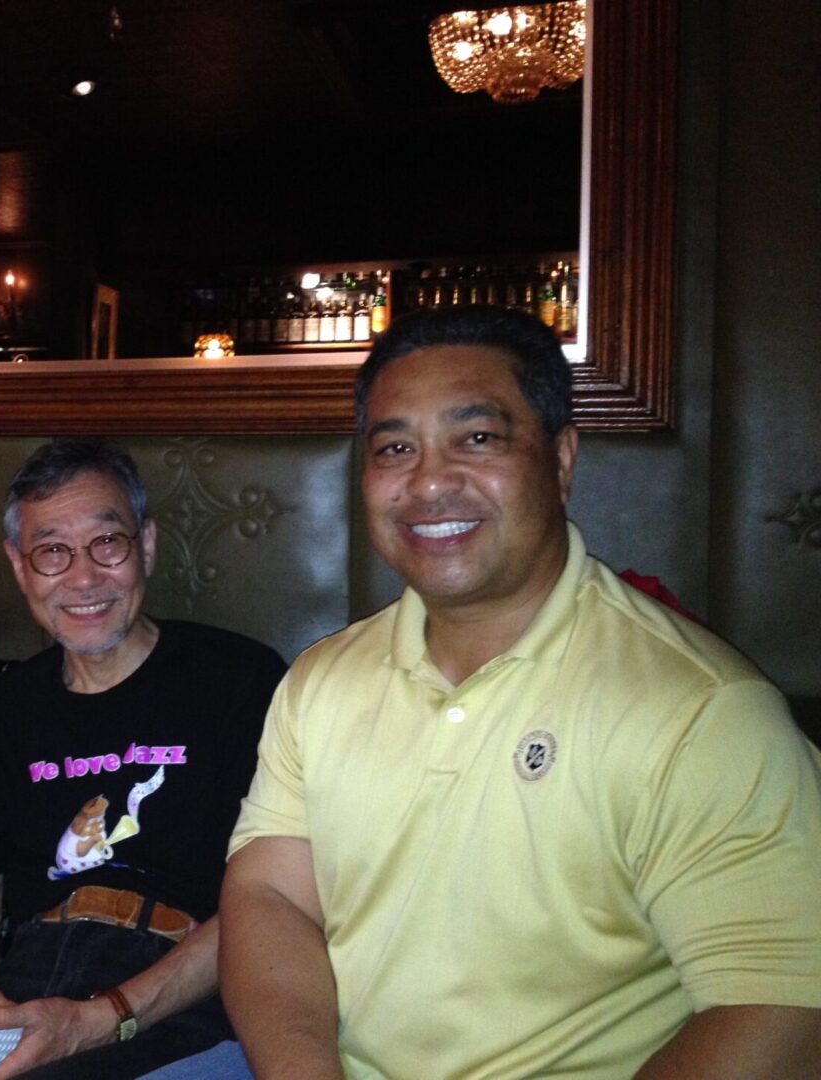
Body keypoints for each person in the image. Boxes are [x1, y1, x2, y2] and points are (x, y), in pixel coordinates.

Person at [180, 306, 821, 1079]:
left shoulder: (701, 711)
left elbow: (781, 1007)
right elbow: (271, 898)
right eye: (394, 448)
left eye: (477, 438)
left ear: (560, 460)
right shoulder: (320, 681)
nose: (429, 480)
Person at [0, 438, 287, 1079]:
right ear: (19, 566)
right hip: (30, 987)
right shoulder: (1, 716)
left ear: (145, 544)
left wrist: (102, 1017)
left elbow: (267, 904)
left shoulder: (240, 680)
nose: (84, 577)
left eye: (107, 543)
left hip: (180, 1000)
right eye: (52, 552)